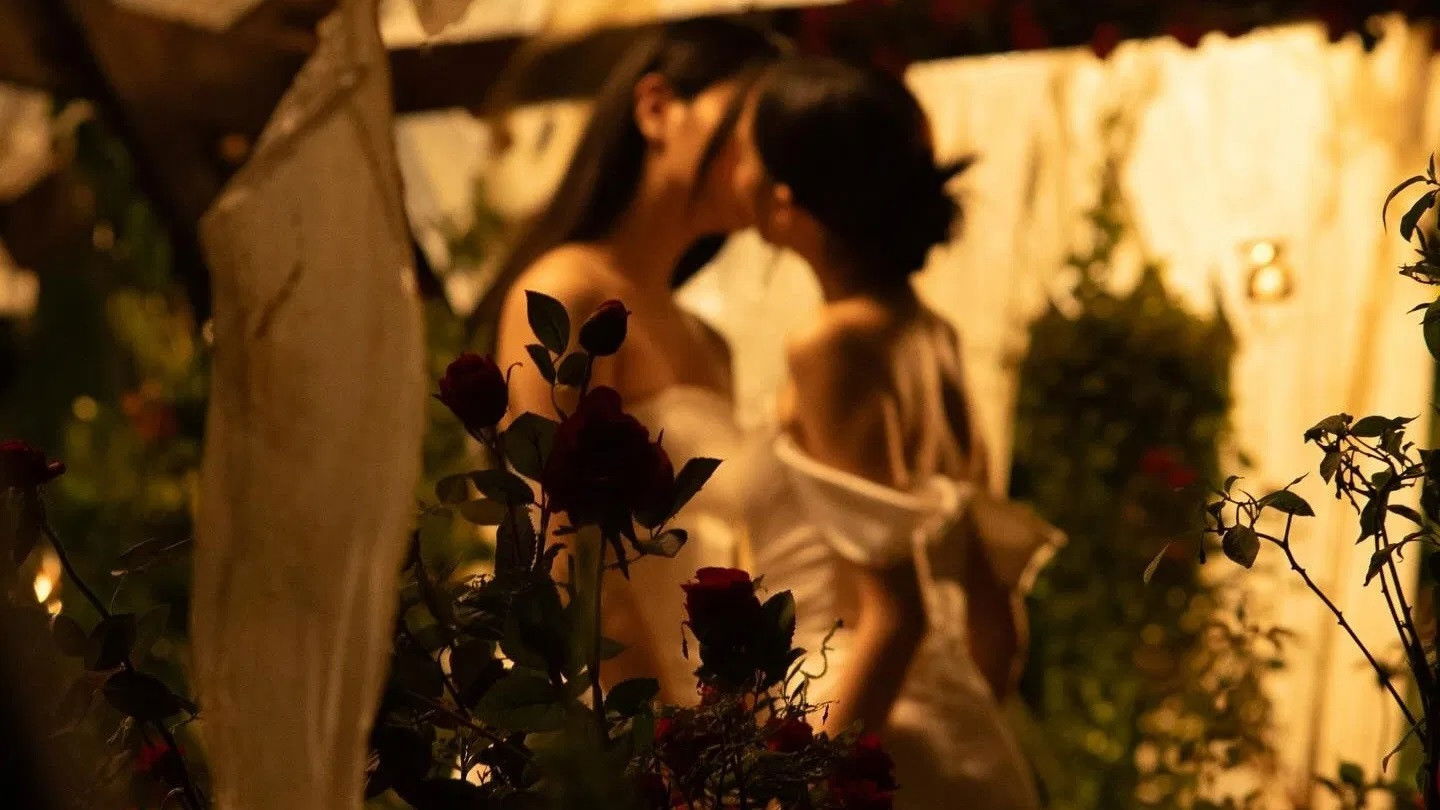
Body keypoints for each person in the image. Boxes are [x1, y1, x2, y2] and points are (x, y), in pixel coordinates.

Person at [733, 57, 1057, 809]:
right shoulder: (933, 336)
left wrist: (800, 787)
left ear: (784, 200)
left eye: (746, 152)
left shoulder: (832, 345)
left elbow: (896, 612)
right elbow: (995, 619)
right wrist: (962, 724)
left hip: (857, 724)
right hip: (956, 737)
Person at [487, 19, 783, 705]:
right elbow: (563, 544)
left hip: (698, 699)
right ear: (656, 108)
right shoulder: (568, 291)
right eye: (754, 123)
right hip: (608, 700)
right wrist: (648, 730)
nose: (771, 160)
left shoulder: (708, 340)